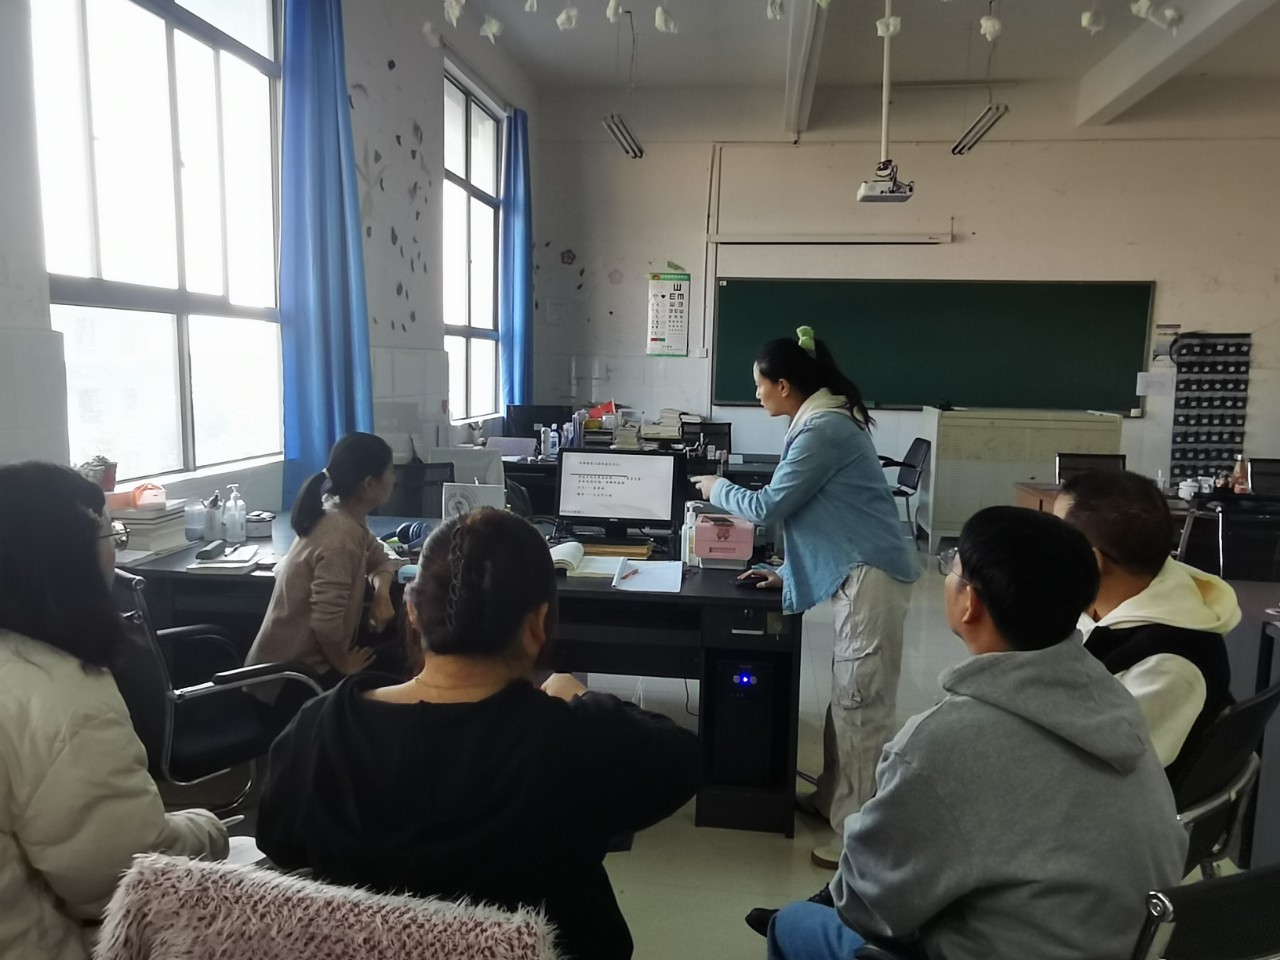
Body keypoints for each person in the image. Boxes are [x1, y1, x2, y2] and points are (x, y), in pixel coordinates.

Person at [256, 508, 701, 960]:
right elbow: (683, 760)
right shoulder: (578, 738)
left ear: (412, 611)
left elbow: (279, 843)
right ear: (537, 624)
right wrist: (583, 698)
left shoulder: (318, 729)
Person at [764, 507, 1188, 960]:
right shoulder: (1114, 699)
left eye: (953, 566)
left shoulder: (943, 741)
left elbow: (864, 907)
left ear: (971, 604)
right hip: (1125, 944)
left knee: (792, 924)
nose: (947, 575)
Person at [692, 325, 918, 867]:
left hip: (871, 577)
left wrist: (716, 488)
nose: (756, 394)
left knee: (861, 707)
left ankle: (855, 836)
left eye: (759, 385)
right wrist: (787, 570)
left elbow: (771, 506)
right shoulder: (821, 420)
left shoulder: (824, 429)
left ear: (785, 385)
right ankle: (832, 798)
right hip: (858, 569)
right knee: (847, 700)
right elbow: (824, 512)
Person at [0, 462, 228, 960]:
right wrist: (208, 829)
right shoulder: (57, 696)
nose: (116, 551)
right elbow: (124, 878)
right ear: (67, 557)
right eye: (111, 534)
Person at [1054, 470, 1238, 777]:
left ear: (1091, 559)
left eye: (1053, 539)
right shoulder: (1099, 606)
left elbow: (1091, 769)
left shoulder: (1169, 663)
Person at [246, 432, 400, 691]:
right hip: (291, 681)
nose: (394, 479)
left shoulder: (343, 513)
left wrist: (381, 593)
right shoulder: (341, 534)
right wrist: (344, 664)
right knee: (393, 672)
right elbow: (326, 624)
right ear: (369, 484)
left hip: (310, 665)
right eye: (390, 471)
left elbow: (381, 559)